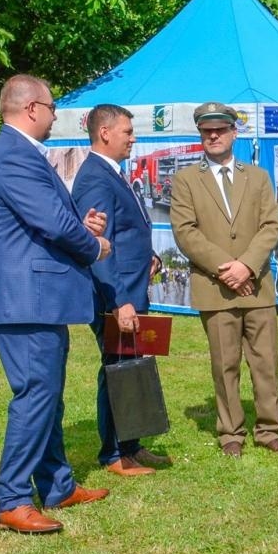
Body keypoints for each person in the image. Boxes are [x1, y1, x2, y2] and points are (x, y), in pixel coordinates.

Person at [0, 74, 112, 532]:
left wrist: (84, 224)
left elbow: (46, 220)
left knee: (47, 396)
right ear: (32, 108)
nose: (57, 115)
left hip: (35, 298)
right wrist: (93, 246)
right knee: (36, 395)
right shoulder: (14, 153)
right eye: (53, 107)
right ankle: (12, 498)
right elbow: (51, 223)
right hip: (25, 300)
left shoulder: (17, 153)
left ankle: (56, 485)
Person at [171, 102, 278, 457]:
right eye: (207, 131)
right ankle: (230, 434)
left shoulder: (258, 177)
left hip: (257, 286)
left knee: (265, 361)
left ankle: (269, 429)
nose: (213, 135)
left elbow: (272, 226)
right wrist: (228, 268)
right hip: (216, 288)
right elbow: (185, 232)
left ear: (234, 133)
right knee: (224, 364)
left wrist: (247, 267)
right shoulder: (186, 180)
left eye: (220, 130)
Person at [72, 102, 169, 478]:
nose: (133, 137)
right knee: (116, 367)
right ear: (105, 133)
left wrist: (150, 256)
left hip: (131, 288)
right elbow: (99, 246)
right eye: (128, 131)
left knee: (130, 364)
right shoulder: (96, 177)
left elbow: (127, 231)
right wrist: (119, 301)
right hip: (116, 296)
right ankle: (113, 453)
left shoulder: (112, 172)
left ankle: (131, 444)